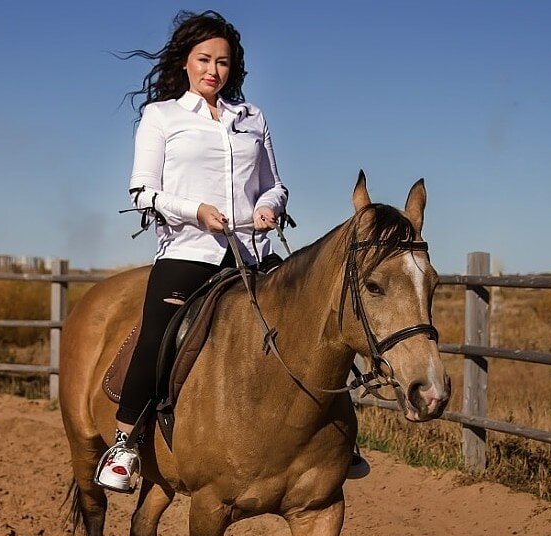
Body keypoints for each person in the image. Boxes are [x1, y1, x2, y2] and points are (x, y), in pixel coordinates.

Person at [95, 10, 369, 491]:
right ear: (185, 62)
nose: (212, 71)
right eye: (204, 60)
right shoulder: (162, 118)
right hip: (188, 251)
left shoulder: (252, 119)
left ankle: (337, 440)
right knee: (157, 332)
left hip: (252, 253)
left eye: (222, 62)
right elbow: (141, 191)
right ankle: (125, 444)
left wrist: (267, 207)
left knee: (314, 321)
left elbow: (275, 185)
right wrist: (194, 210)